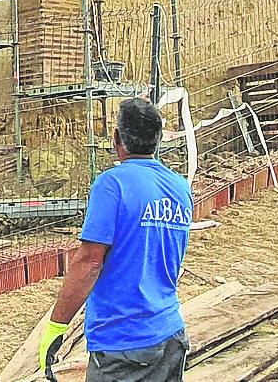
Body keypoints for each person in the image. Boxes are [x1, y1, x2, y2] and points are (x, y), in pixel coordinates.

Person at [39, 98, 193, 381]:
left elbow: (88, 262)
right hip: (170, 335)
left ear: (117, 137)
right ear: (157, 139)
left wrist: (56, 327)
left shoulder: (112, 184)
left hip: (123, 345)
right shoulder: (180, 187)